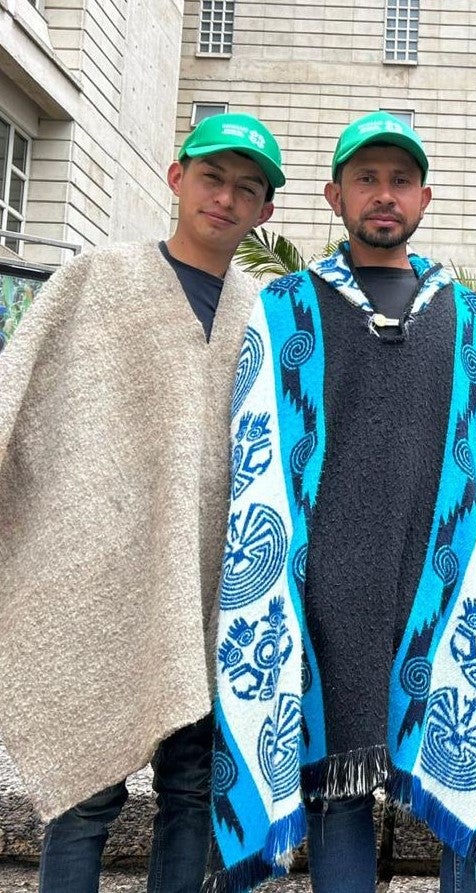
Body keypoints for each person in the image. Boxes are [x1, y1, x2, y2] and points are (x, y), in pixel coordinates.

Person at [206, 111, 476, 893]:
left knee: (473, 765)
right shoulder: (285, 308)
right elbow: (254, 449)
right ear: (335, 196)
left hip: (452, 588)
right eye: (366, 178)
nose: (384, 194)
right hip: (324, 596)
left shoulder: (469, 318)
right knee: (337, 791)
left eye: (399, 180)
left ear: (423, 198)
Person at [0, 111, 284, 893]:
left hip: (214, 593)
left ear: (264, 210)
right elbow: (20, 394)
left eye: (247, 188)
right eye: (212, 177)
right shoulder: (101, 278)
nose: (225, 198)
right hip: (104, 579)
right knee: (85, 794)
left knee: (192, 790)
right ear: (177, 178)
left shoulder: (266, 313)